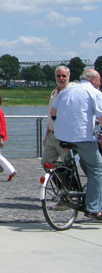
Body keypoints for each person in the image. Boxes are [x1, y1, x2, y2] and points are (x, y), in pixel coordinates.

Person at [51, 68, 102, 220]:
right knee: (98, 170)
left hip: (63, 138)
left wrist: (62, 126)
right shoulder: (94, 93)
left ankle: (69, 193)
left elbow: (53, 113)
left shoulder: (66, 91)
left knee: (74, 165)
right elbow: (101, 117)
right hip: (83, 138)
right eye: (99, 80)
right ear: (93, 80)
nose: (100, 83)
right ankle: (93, 208)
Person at [42, 65, 74, 168]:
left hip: (65, 136)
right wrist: (47, 135)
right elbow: (50, 115)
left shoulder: (71, 92)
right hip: (52, 134)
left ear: (69, 76)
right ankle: (60, 178)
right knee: (46, 163)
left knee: (68, 164)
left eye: (64, 76)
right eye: (58, 76)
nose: (61, 78)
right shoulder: (54, 92)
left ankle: (67, 178)